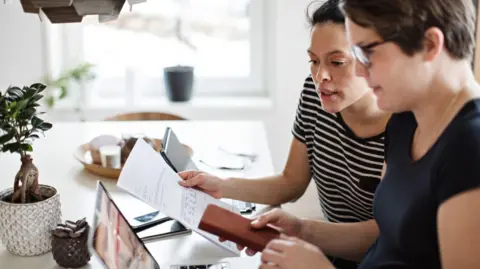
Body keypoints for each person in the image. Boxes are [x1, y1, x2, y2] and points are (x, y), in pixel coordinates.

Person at [245, 0, 480, 268]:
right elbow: (386, 240)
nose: (358, 69)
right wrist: (302, 231)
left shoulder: (470, 146)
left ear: (429, 45)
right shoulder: (404, 120)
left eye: (368, 52)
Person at [179, 1, 390, 268]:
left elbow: (387, 236)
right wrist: (223, 186)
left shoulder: (403, 126)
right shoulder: (316, 96)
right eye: (313, 61)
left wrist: (302, 231)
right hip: (333, 255)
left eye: (337, 62)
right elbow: (292, 181)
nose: (320, 75)